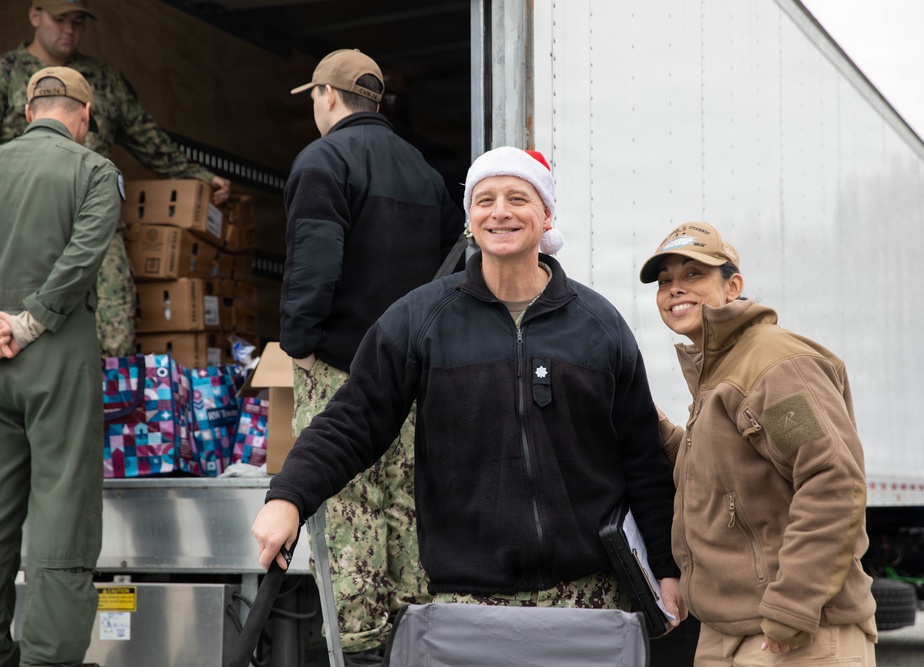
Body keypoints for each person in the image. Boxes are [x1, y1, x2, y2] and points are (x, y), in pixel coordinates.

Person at [255, 146, 684, 656]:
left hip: (588, 602)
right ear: (469, 221)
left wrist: (666, 568)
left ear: (546, 215)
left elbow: (642, 460)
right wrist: (288, 498)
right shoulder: (419, 320)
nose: (500, 211)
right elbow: (351, 422)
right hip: (470, 606)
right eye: (485, 200)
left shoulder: (598, 326)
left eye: (517, 198)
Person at [279, 48, 466, 664]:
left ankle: (358, 650)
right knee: (404, 505)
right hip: (411, 373)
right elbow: (450, 278)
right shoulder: (425, 173)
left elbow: (314, 267)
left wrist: (299, 347)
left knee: (348, 506)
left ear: (328, 96)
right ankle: (413, 639)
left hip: (340, 369)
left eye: (312, 96)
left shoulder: (322, 161)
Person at [639, 222, 877, 666]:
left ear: (733, 287)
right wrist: (657, 428)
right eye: (665, 280)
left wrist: (792, 606)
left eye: (693, 274)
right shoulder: (720, 369)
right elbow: (725, 476)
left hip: (795, 634)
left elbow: (832, 480)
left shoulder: (773, 364)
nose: (675, 289)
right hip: (727, 631)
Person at [0, 0, 231, 358]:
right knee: (9, 310)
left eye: (78, 21)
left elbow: (148, 138)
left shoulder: (102, 80)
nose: (69, 29)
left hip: (94, 214)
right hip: (23, 217)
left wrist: (198, 175)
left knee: (115, 322)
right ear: (34, 16)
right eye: (60, 19)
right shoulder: (0, 74)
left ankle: (110, 405)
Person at [0, 66, 121, 667]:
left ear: (27, 110)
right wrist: (28, 321)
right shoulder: (94, 171)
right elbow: (81, 259)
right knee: (62, 509)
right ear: (84, 115)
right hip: (53, 356)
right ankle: (48, 658)